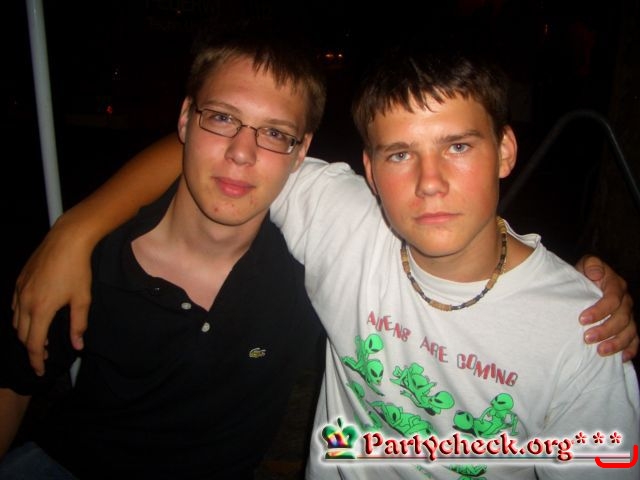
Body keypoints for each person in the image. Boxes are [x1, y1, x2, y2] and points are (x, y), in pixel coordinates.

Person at [6, 36, 639, 478]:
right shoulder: (339, 221)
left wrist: (573, 288)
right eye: (399, 154)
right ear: (370, 169)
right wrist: (76, 230)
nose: (430, 183)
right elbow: (219, 152)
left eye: (457, 147)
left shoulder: (582, 333)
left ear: (505, 151)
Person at [0, 21, 325, 479]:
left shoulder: (315, 267)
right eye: (222, 118)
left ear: (301, 150)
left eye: (274, 132)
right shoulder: (96, 257)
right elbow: (13, 381)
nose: (241, 152)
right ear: (185, 118)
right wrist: (74, 232)